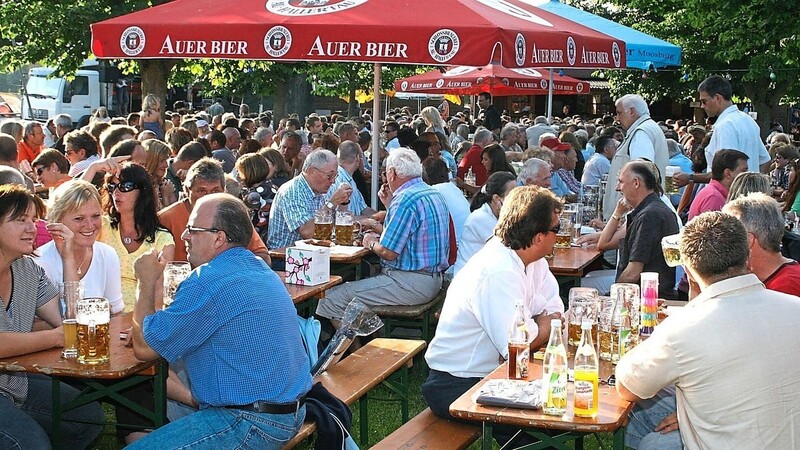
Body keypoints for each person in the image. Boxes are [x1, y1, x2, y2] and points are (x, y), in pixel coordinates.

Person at [127, 194, 311, 449]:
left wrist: (145, 282)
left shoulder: (207, 280)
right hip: (291, 410)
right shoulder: (258, 267)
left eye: (193, 230)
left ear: (219, 237)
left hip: (251, 421)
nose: (184, 237)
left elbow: (145, 349)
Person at [616, 211, 800, 449]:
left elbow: (627, 386)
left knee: (649, 431)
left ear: (689, 270)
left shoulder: (681, 329)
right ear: (747, 256)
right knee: (649, 419)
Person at [423, 185, 564, 446]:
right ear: (538, 237)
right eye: (556, 229)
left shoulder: (532, 261)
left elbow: (556, 309)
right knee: (545, 424)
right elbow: (516, 347)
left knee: (561, 405)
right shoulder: (498, 269)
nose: (560, 235)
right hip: (456, 383)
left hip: (494, 375)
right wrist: (544, 324)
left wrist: (543, 324)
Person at [0, 185, 104, 449]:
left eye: (33, 219)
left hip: (15, 380)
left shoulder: (27, 269)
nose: (31, 228)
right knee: (32, 444)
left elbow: (69, 318)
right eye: (20, 220)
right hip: (13, 379)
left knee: (87, 418)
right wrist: (57, 338)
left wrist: (68, 256)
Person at [315, 148, 449, 330]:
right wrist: (389, 207)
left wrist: (369, 242)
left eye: (385, 173)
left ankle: (355, 355)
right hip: (433, 280)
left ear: (392, 173)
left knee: (331, 299)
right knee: (358, 287)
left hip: (410, 283)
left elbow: (388, 252)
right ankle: (371, 339)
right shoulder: (432, 193)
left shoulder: (405, 199)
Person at [34, 180, 124, 313]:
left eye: (95, 216)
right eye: (79, 218)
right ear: (57, 221)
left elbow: (116, 313)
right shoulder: (39, 263)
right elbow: (32, 326)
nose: (89, 225)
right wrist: (96, 312)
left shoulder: (107, 254)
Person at [158, 158, 271, 263]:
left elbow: (262, 256)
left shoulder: (234, 215)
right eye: (202, 191)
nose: (208, 197)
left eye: (215, 191)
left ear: (224, 190)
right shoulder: (165, 219)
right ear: (187, 190)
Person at [100, 163, 175, 311]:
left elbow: (159, 296)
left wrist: (135, 325)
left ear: (142, 191)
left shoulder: (162, 239)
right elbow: (69, 208)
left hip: (140, 318)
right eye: (112, 186)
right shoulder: (101, 227)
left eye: (125, 186)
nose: (116, 192)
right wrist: (94, 168)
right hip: (101, 317)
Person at [609, 161, 678, 297]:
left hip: (646, 302)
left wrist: (611, 299)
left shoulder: (649, 216)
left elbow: (632, 274)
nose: (618, 188)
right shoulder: (656, 210)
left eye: (621, 182)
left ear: (636, 183)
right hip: (653, 297)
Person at [267, 149, 352, 249]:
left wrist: (343, 202)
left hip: (312, 253)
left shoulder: (319, 188)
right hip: (286, 258)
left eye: (335, 176)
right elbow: (308, 232)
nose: (333, 181)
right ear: (311, 171)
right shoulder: (292, 191)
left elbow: (333, 225)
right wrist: (331, 203)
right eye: (329, 176)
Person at [603, 94, 669, 220]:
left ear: (632, 112)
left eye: (619, 113)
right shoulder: (648, 128)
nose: (616, 119)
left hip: (636, 214)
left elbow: (640, 176)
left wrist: (621, 220)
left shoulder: (641, 132)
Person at [723, 193, 800, 295]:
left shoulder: (786, 287)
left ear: (748, 240)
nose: (724, 242)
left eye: (729, 235)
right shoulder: (773, 279)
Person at [454, 171, 517, 274]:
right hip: (470, 280)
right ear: (497, 198)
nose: (517, 201)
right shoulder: (481, 218)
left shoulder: (494, 215)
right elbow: (509, 249)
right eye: (512, 196)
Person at [687, 149, 748, 220]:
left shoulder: (716, 193)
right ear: (728, 173)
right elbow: (713, 230)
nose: (747, 174)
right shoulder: (714, 197)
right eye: (744, 171)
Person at [329, 141, 375, 215]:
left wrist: (381, 216)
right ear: (357, 158)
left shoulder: (350, 179)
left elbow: (363, 209)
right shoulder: (336, 180)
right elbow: (341, 218)